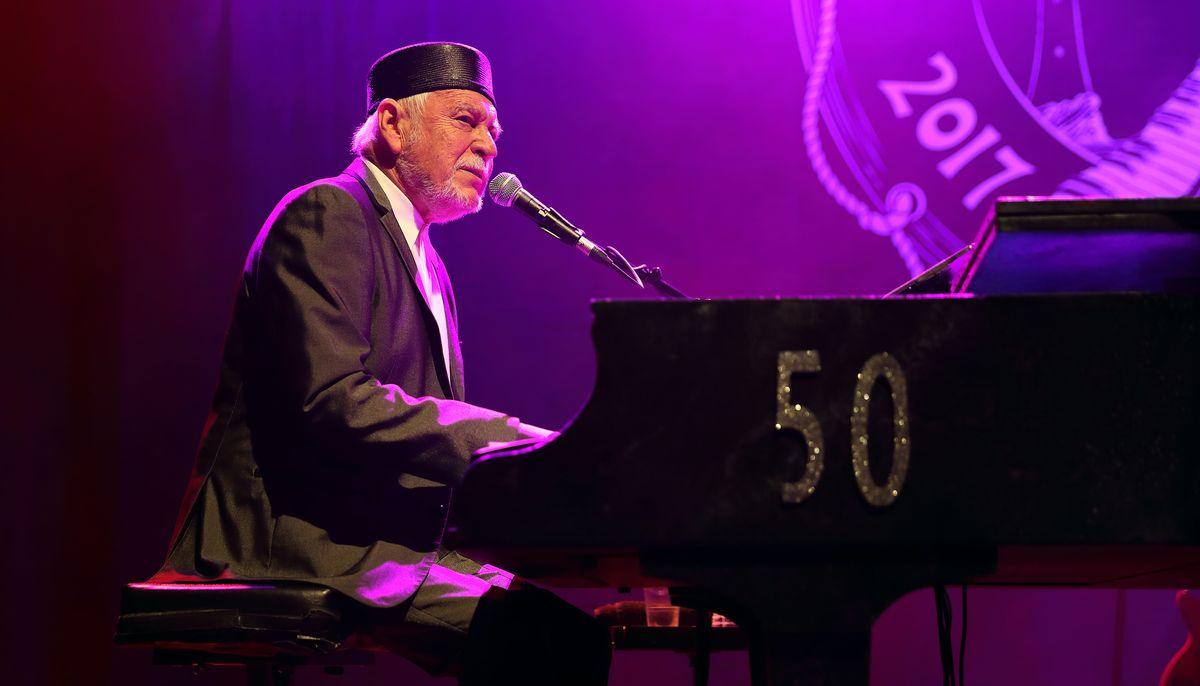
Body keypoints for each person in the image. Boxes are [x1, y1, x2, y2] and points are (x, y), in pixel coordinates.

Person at [150, 42, 611, 684]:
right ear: (393, 123)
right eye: (465, 120)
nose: (488, 144)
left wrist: (545, 482)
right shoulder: (326, 213)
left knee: (574, 636)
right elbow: (332, 398)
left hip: (377, 538)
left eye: (494, 130)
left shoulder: (429, 261)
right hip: (294, 537)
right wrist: (514, 441)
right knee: (541, 641)